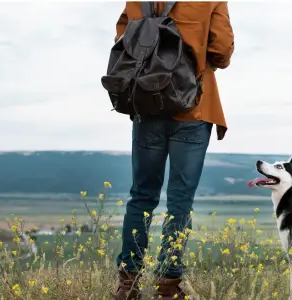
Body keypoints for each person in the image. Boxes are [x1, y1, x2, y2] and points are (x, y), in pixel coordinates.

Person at [112, 2, 234, 300]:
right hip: (194, 107)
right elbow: (222, 51)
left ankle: (127, 285)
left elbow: (122, 41)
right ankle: (168, 287)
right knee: (180, 201)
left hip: (148, 106)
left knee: (141, 196)